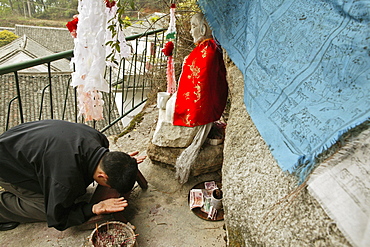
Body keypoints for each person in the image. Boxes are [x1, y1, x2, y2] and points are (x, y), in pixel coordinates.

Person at [0, 120, 146, 231]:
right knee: (45, 209)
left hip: (17, 141)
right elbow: (58, 218)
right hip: (7, 165)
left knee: (63, 193)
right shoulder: (64, 180)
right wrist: (94, 208)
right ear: (103, 176)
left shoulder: (98, 138)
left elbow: (106, 160)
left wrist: (122, 163)